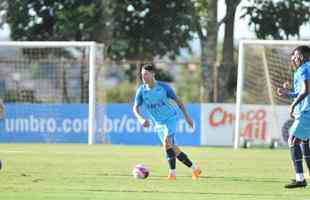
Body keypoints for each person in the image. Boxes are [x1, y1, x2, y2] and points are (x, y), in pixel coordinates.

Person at [133, 63, 202, 180]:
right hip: (158, 123)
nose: (143, 77)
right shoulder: (141, 91)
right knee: (171, 146)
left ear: (153, 74)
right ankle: (195, 169)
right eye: (142, 75)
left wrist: (187, 117)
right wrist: (141, 118)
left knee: (167, 142)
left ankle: (172, 174)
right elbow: (135, 107)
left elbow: (178, 101)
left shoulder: (164, 87)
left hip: (171, 118)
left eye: (146, 74)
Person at [277, 45, 310, 188]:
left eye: (294, 56)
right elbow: (302, 90)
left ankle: (300, 179)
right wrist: (288, 93)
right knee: (303, 142)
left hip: (307, 112)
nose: (293, 58)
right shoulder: (305, 69)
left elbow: (306, 91)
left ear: (301, 56)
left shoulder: (303, 69)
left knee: (293, 140)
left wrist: (292, 104)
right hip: (305, 111)